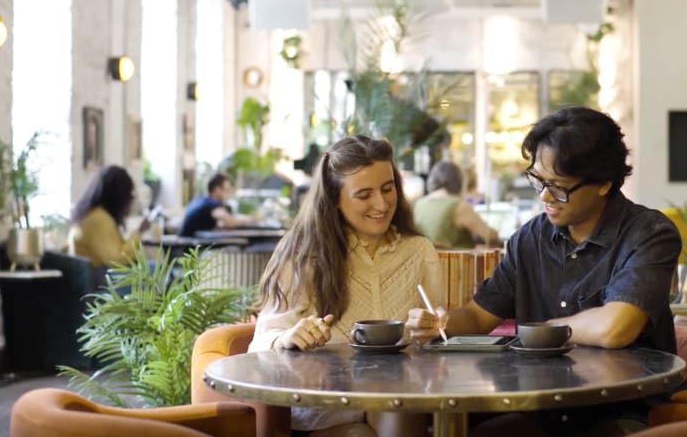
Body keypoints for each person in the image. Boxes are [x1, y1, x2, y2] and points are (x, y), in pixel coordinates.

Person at [406, 106, 682, 437]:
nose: (545, 196)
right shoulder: (529, 239)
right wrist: (440, 323)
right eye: (537, 180)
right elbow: (478, 317)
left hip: (621, 409)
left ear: (603, 183)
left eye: (559, 186)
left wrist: (545, 329)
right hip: (540, 409)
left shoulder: (649, 234)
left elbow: (616, 328)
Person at [248, 135, 441, 437]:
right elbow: (260, 344)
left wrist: (432, 330)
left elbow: (436, 340)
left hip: (400, 402)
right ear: (335, 199)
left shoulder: (419, 251)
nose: (381, 204)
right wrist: (288, 336)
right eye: (364, 195)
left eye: (387, 189)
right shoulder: (303, 253)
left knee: (396, 405)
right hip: (327, 412)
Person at [68, 165, 150, 268]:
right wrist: (138, 232)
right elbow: (117, 260)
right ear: (119, 196)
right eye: (129, 195)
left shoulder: (90, 214)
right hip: (101, 276)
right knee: (158, 268)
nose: (130, 201)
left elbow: (115, 249)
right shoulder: (98, 220)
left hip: (94, 273)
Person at [413, 160, 500, 248]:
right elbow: (490, 235)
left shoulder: (418, 204)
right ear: (459, 180)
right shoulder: (458, 206)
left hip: (427, 256)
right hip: (455, 256)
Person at [178, 172, 252, 237]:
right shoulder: (210, 203)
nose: (228, 193)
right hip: (190, 245)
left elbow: (221, 223)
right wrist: (247, 220)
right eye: (226, 190)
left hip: (189, 242)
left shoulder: (200, 200)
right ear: (217, 189)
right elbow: (230, 222)